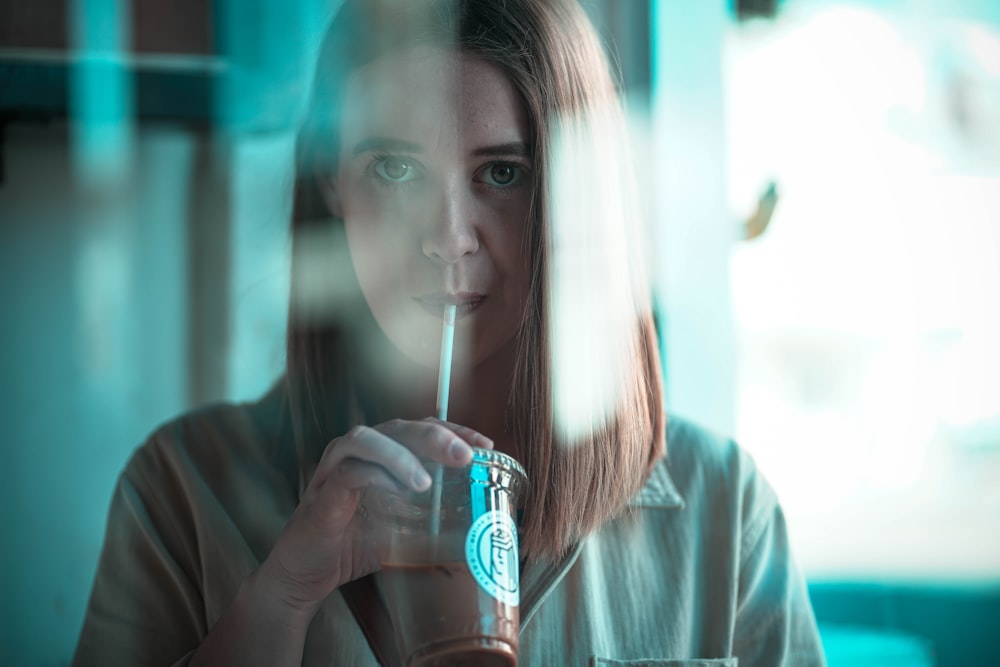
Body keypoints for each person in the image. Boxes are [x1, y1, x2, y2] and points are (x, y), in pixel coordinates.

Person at [73, 0, 826, 665]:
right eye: (396, 169)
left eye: (501, 174)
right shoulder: (181, 488)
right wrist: (278, 599)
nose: (446, 237)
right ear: (329, 176)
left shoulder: (725, 513)